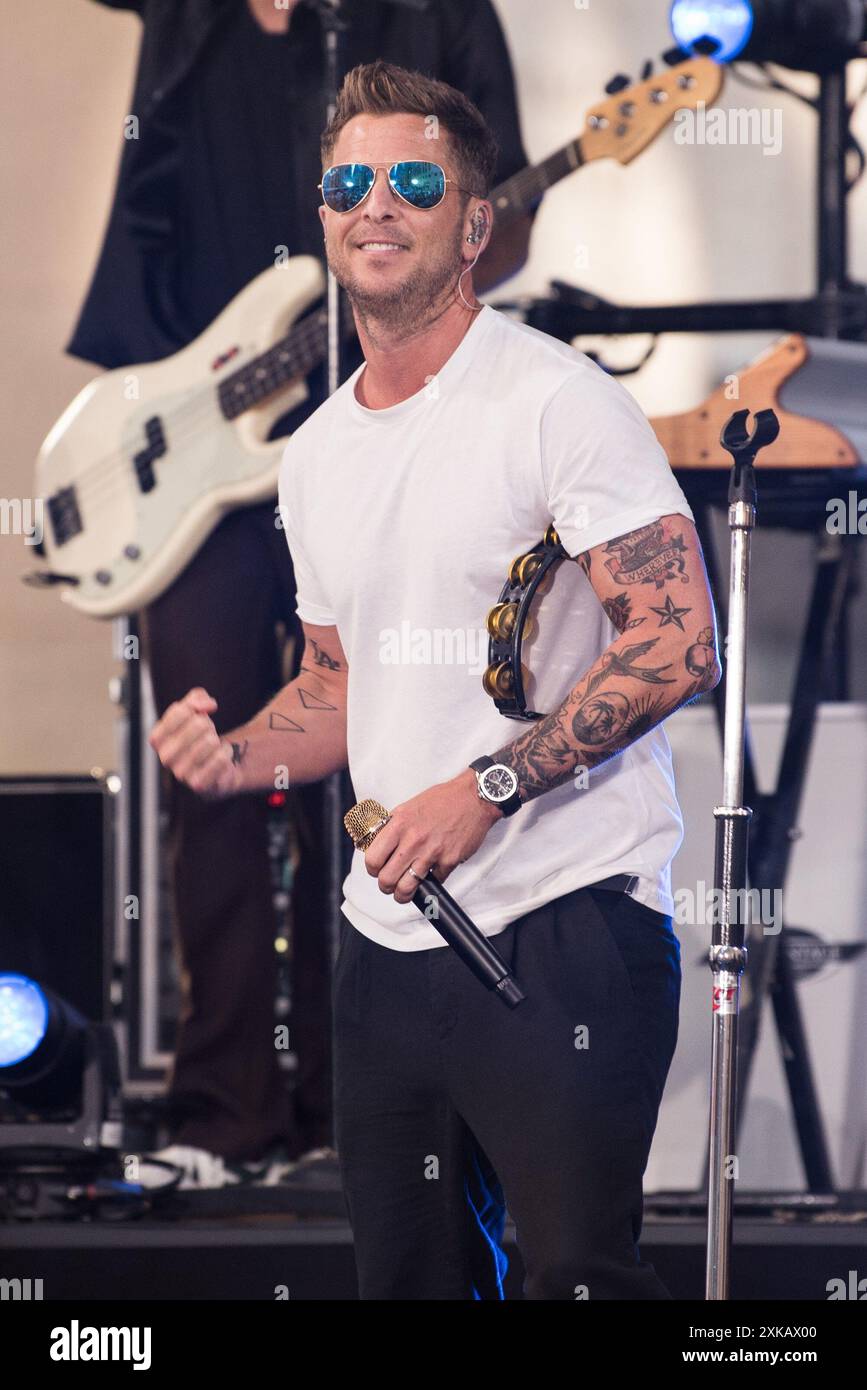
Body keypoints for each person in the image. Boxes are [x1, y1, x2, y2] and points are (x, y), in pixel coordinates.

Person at [150, 60, 722, 1298]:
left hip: (566, 922)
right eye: (348, 181)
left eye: (413, 180)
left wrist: (488, 785)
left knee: (575, 1278)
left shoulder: (555, 403)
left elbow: (678, 642)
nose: (376, 203)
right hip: (388, 947)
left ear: (474, 226)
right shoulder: (311, 456)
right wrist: (238, 753)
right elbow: (340, 679)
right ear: (322, 215)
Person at [70, 0, 532, 1171]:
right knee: (214, 766)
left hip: (374, 433)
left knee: (378, 757)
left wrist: (423, 234)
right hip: (199, 462)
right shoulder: (188, 20)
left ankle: (354, 1112)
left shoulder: (433, 16)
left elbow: (509, 218)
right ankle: (225, 1110)